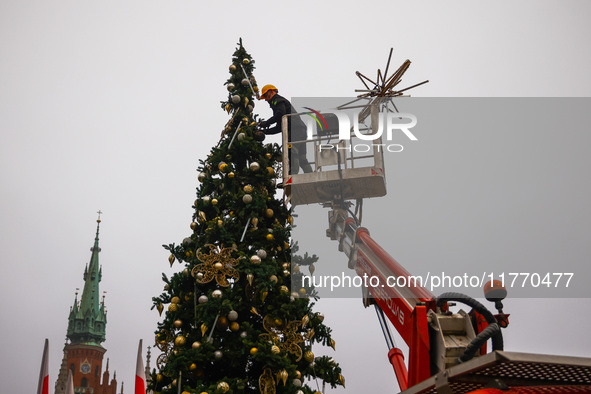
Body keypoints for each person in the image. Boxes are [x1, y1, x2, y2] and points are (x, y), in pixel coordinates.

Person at [258, 84, 312, 174]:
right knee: (302, 157)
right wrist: (264, 132)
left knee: (291, 150)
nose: (266, 99)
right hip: (300, 130)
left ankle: (292, 175)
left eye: (265, 96)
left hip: (295, 130)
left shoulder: (277, 101)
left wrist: (266, 123)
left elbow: (280, 114)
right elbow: (279, 127)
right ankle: (310, 174)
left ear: (271, 92)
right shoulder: (280, 106)